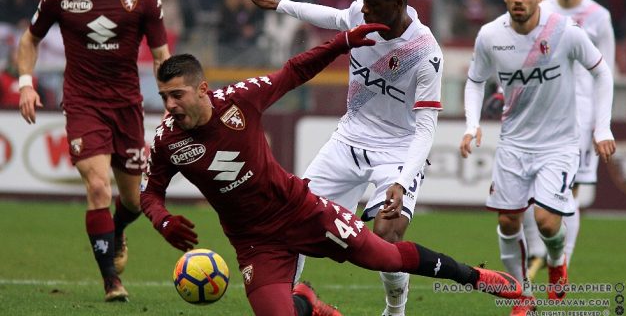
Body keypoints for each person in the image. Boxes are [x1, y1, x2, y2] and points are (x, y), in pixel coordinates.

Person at [141, 25, 523, 316]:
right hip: (254, 242)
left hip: (300, 210)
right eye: (164, 97)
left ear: (202, 89)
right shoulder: (165, 142)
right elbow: (148, 193)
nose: (170, 105)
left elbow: (293, 71)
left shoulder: (239, 101)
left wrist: (343, 42)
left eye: (177, 95)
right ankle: (309, 304)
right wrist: (162, 221)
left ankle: (482, 279)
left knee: (386, 257)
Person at [243, 0, 443, 315]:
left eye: (372, 2)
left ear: (398, 3)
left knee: (386, 236)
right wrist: (278, 4)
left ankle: (395, 308)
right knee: (293, 222)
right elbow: (331, 16)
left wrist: (402, 178)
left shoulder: (426, 53)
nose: (363, 8)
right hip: (348, 139)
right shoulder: (359, 14)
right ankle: (284, 307)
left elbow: (426, 127)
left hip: (396, 150)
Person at [459, 0, 616, 316]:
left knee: (546, 222)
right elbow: (474, 80)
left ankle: (557, 260)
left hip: (559, 145)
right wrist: (472, 124)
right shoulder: (490, 35)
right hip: (513, 145)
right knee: (507, 222)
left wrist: (602, 127)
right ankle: (522, 298)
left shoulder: (565, 32)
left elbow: (601, 71)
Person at [16, 0, 170, 302]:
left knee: (133, 202)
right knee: (98, 187)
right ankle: (111, 281)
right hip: (83, 105)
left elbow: (162, 57)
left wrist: (171, 101)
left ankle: (115, 233)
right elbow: (29, 40)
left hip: (128, 109)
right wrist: (26, 82)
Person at [521, 0, 616, 279]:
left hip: (581, 118)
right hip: (542, 113)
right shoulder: (542, 10)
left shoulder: (598, 16)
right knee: (532, 192)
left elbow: (607, 71)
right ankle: (538, 253)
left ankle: (561, 263)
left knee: (567, 193)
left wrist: (601, 125)